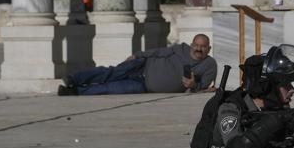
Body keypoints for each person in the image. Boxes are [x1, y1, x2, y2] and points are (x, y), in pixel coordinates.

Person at [58, 33, 217, 95]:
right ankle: (74, 79)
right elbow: (158, 52)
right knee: (108, 73)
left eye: (203, 47)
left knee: (110, 88)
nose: (198, 49)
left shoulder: (210, 65)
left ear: (208, 48)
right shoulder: (180, 49)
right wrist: (137, 55)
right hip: (142, 65)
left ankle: (74, 92)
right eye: (196, 45)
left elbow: (203, 86)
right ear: (192, 44)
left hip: (144, 86)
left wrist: (193, 84)